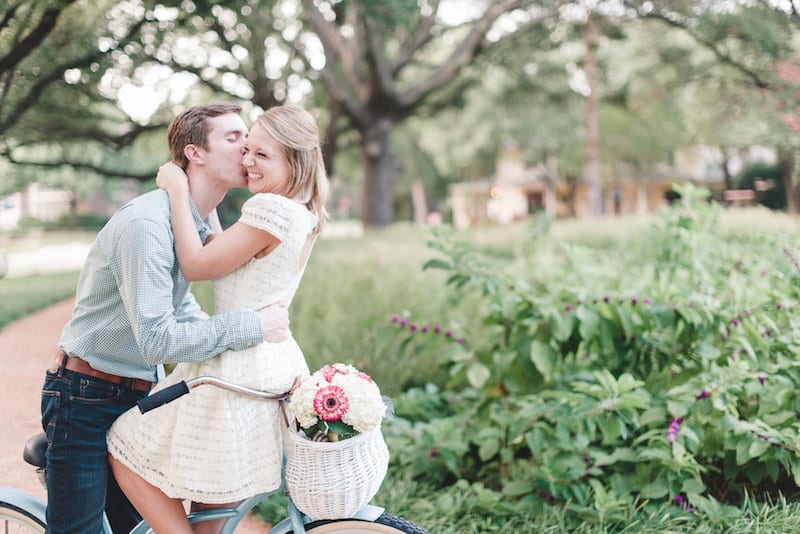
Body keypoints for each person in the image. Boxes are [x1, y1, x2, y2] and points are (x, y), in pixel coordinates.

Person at [41, 103, 291, 534]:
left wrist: (245, 350)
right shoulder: (148, 224)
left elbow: (180, 307)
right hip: (84, 397)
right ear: (195, 153)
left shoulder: (184, 220)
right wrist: (251, 327)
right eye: (233, 137)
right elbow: (157, 338)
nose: (247, 145)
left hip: (139, 396)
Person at [106, 104, 330, 533]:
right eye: (247, 149)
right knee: (213, 513)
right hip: (260, 363)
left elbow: (197, 264)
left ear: (295, 161)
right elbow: (222, 247)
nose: (248, 160)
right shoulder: (298, 211)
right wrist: (205, 198)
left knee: (124, 447)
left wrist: (176, 190)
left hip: (232, 370)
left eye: (262, 155)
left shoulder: (270, 211)